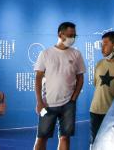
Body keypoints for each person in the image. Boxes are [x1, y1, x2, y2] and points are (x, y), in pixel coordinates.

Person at [33, 22, 86, 150]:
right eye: (70, 35)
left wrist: (73, 99)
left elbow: (80, 78)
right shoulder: (45, 53)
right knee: (42, 137)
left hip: (68, 104)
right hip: (47, 103)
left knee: (65, 137)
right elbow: (38, 79)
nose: (72, 38)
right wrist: (39, 102)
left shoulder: (76, 54)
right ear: (60, 34)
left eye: (74, 35)